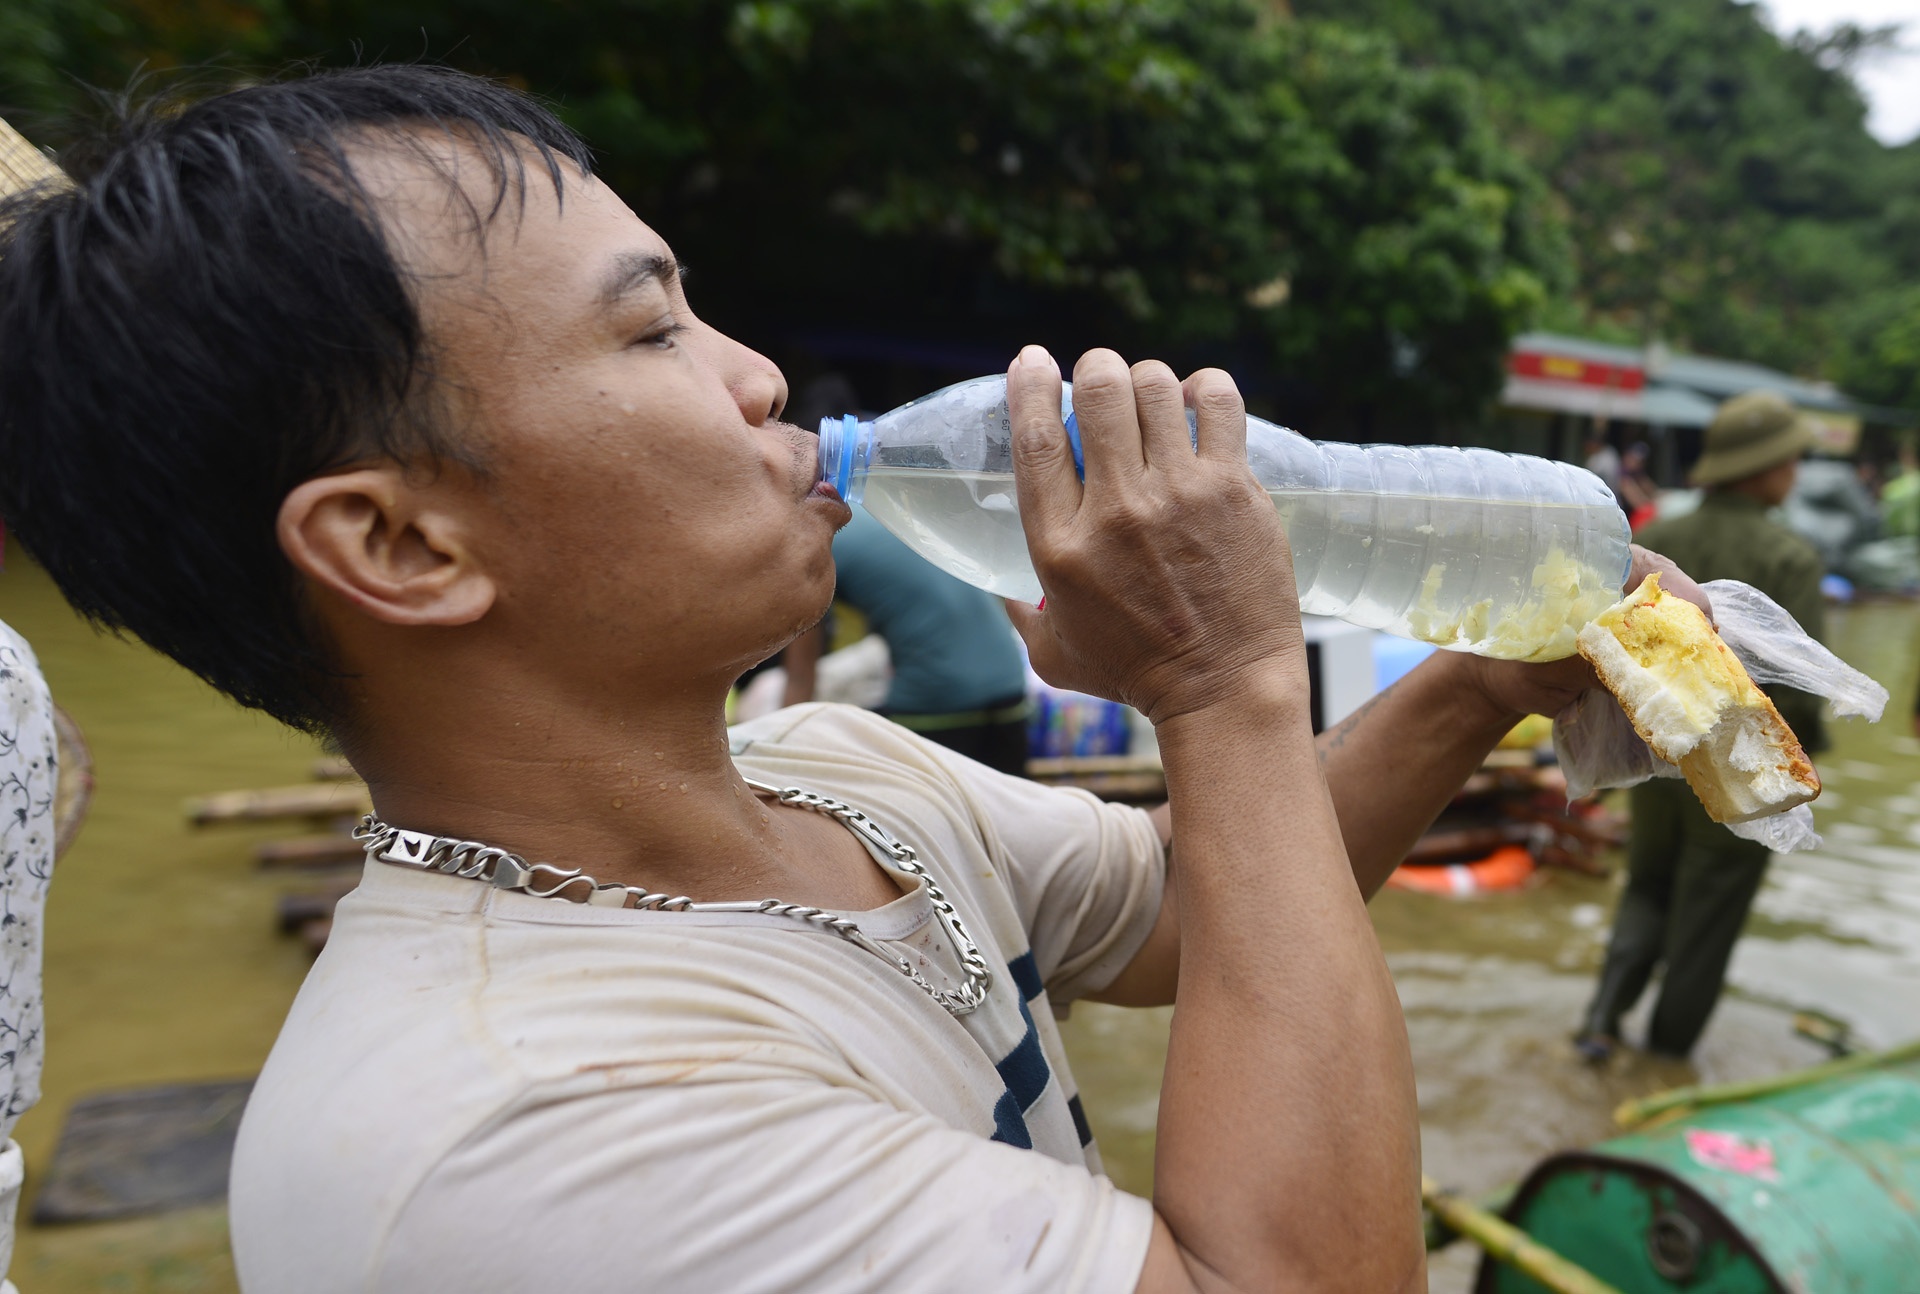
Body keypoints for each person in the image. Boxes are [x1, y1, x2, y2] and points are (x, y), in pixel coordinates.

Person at [0, 66, 1705, 1293]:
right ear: (403, 546)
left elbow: (1203, 909)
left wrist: (1484, 675)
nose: (754, 376)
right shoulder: (525, 1119)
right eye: (652, 329)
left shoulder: (832, 766)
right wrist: (1227, 681)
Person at [1577, 389, 1826, 1062]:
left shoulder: (1665, 537)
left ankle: (1599, 1026)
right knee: (1707, 918)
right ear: (1767, 465)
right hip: (1742, 769)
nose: (1796, 470)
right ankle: (1664, 1062)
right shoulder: (1791, 557)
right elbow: (1798, 693)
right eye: (1791, 457)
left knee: (1647, 885)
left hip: (1657, 753)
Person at [780, 505, 1032, 775]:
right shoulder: (875, 511)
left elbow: (801, 678)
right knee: (1002, 810)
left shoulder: (810, 544)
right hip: (1009, 680)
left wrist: (780, 753)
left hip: (937, 694)